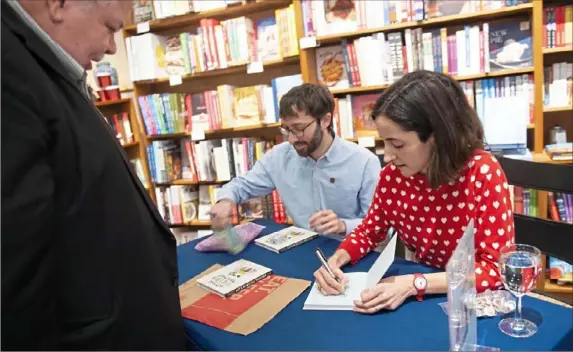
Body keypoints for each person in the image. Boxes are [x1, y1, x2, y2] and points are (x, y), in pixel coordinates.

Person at [1, 1, 186, 350]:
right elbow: (15, 281)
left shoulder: (41, 68)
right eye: (110, 27)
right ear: (59, 5)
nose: (112, 48)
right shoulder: (10, 73)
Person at [313, 70, 516, 313]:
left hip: (473, 306)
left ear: (437, 137)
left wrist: (414, 284)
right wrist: (336, 260)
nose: (388, 156)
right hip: (428, 298)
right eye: (384, 142)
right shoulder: (392, 176)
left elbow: (495, 271)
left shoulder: (482, 172)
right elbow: (370, 231)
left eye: (397, 144)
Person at [210, 83, 381, 239]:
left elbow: (382, 228)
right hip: (303, 249)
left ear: (325, 120)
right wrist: (226, 200)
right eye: (287, 129)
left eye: (299, 129)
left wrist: (343, 225)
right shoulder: (279, 157)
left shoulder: (364, 162)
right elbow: (242, 185)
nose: (291, 139)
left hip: (351, 252)